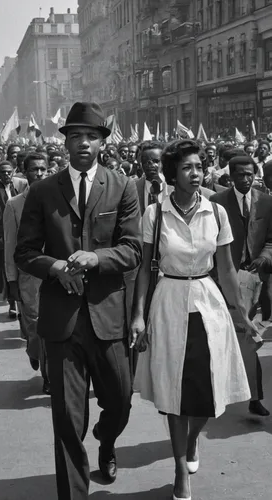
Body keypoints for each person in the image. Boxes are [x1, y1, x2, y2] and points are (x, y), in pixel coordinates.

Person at [14, 102, 142, 500]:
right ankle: (74, 492)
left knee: (120, 402)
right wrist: (56, 268)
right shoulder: (41, 191)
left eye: (90, 136)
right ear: (65, 143)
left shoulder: (123, 186)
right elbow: (25, 253)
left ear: (103, 142)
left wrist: (96, 258)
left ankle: (106, 439)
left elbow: (134, 249)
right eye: (74, 137)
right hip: (62, 320)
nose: (83, 143)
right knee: (67, 419)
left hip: (108, 316)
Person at [131, 139, 253, 500]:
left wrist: (243, 314)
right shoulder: (155, 214)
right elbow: (143, 270)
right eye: (187, 168)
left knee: (209, 389)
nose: (196, 174)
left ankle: (192, 438)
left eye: (200, 167)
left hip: (207, 304)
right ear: (173, 174)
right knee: (173, 390)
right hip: (168, 303)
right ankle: (180, 467)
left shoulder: (217, 213)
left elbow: (227, 269)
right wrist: (138, 316)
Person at [211, 155, 272, 416]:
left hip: (254, 280)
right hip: (222, 279)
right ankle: (240, 394)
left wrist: (265, 257)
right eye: (240, 175)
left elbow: (271, 239)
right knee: (232, 336)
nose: (245, 179)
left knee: (246, 336)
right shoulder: (216, 202)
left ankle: (253, 396)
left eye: (249, 174)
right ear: (231, 176)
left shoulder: (267, 202)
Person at [3, 153, 49, 394]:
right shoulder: (14, 205)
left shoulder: (58, 199)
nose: (39, 174)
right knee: (35, 326)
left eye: (43, 169)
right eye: (34, 170)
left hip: (56, 273)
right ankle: (34, 350)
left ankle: (49, 375)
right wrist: (11, 281)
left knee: (54, 326)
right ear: (24, 172)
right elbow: (10, 246)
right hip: (28, 277)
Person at [0, 161, 27, 317]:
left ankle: (22, 302)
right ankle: (12, 303)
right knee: (7, 269)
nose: (6, 175)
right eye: (3, 172)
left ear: (14, 172)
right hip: (0, 236)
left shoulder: (21, 188)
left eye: (9, 172)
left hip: (20, 234)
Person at [135, 140, 167, 215]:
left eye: (156, 161)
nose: (151, 165)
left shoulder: (174, 188)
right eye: (146, 161)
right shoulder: (133, 188)